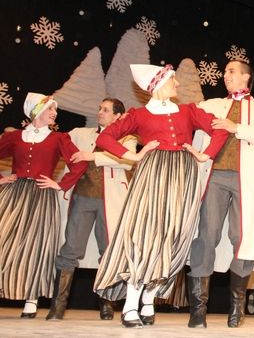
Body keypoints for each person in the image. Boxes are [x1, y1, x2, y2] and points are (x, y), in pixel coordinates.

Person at [93, 64, 229, 328]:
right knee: (145, 235)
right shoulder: (139, 115)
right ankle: (131, 304)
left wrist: (206, 154)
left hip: (183, 177)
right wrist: (132, 156)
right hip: (152, 175)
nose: (177, 84)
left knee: (172, 237)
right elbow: (106, 138)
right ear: (157, 84)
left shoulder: (188, 111)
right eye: (172, 80)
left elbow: (220, 129)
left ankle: (149, 299)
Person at [186, 59, 254, 329]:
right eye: (225, 72)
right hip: (214, 176)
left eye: (231, 71)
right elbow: (188, 125)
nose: (225, 75)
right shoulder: (211, 105)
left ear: (246, 77)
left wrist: (237, 128)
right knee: (206, 234)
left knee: (242, 238)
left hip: (248, 179)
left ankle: (236, 307)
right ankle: (198, 309)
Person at [46, 98, 137, 321]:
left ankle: (106, 303)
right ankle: (58, 306)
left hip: (111, 201)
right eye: (99, 108)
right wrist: (26, 134)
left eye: (106, 110)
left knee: (108, 251)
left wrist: (93, 156)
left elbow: (127, 161)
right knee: (70, 249)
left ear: (118, 116)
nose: (100, 112)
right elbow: (55, 141)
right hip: (83, 198)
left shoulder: (128, 138)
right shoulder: (81, 134)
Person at [0, 93, 87, 318]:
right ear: (36, 110)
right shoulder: (16, 136)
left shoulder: (59, 138)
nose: (54, 113)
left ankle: (31, 298)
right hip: (15, 194)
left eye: (54, 109)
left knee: (36, 245)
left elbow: (79, 163)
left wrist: (60, 185)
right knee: (4, 238)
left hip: (41, 196)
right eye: (50, 108)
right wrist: (1, 179)